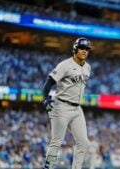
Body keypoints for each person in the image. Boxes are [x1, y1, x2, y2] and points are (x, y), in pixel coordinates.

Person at [42, 37, 92, 169]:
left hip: (77, 109)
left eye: (87, 49)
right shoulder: (65, 65)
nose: (85, 51)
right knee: (56, 142)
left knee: (83, 143)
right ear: (75, 49)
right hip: (61, 106)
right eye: (82, 48)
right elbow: (48, 83)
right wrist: (45, 98)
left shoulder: (87, 67)